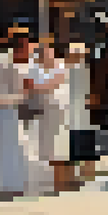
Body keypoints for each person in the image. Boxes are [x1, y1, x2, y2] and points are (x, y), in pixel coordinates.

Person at [0, 28, 35, 198]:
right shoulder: (14, 67)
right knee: (12, 148)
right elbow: (20, 94)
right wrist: (25, 93)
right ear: (22, 45)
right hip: (8, 112)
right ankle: (11, 184)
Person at [31, 44, 70, 195]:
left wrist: (39, 87)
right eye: (42, 54)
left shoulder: (61, 66)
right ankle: (46, 183)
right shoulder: (34, 68)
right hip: (41, 113)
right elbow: (32, 87)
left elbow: (54, 83)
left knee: (58, 149)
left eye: (48, 53)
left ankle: (60, 183)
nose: (45, 56)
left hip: (59, 112)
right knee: (42, 149)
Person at [64, 43, 97, 188]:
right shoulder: (65, 70)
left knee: (86, 146)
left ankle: (88, 176)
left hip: (85, 115)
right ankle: (72, 178)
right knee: (70, 149)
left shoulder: (89, 70)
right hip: (70, 114)